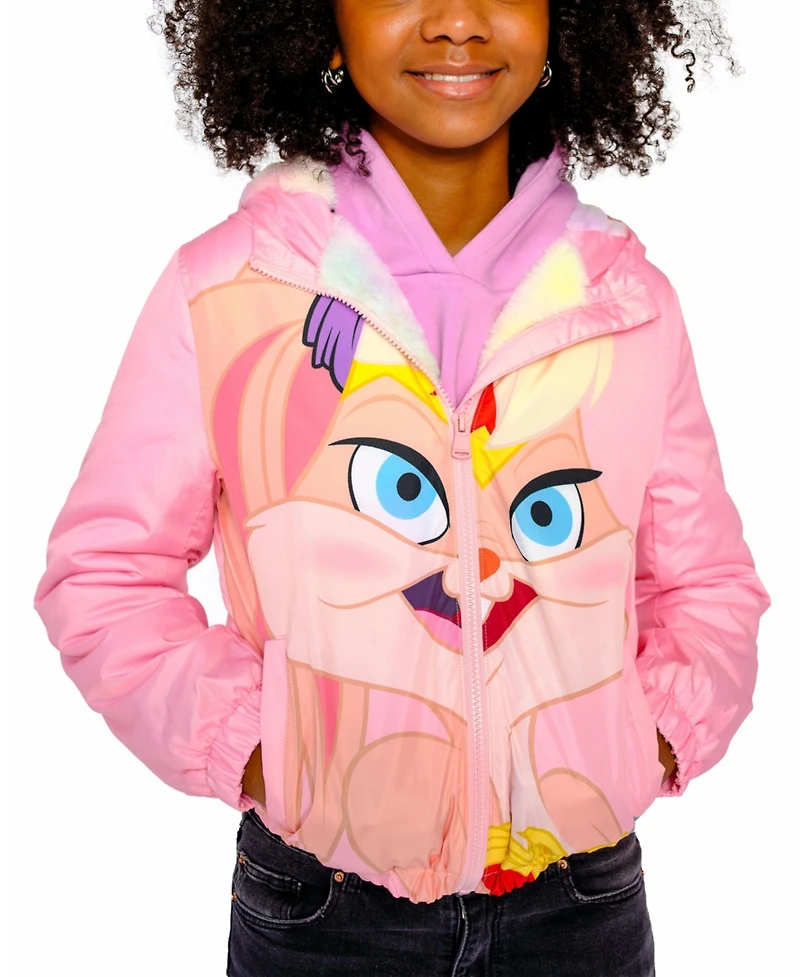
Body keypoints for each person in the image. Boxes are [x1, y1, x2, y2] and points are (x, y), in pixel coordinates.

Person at [33, 1, 771, 974]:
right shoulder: (230, 289)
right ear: (320, 22)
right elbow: (103, 572)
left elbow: (705, 580)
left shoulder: (624, 303)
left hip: (581, 905)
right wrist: (261, 746)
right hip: (324, 913)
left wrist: (652, 736)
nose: (457, 21)